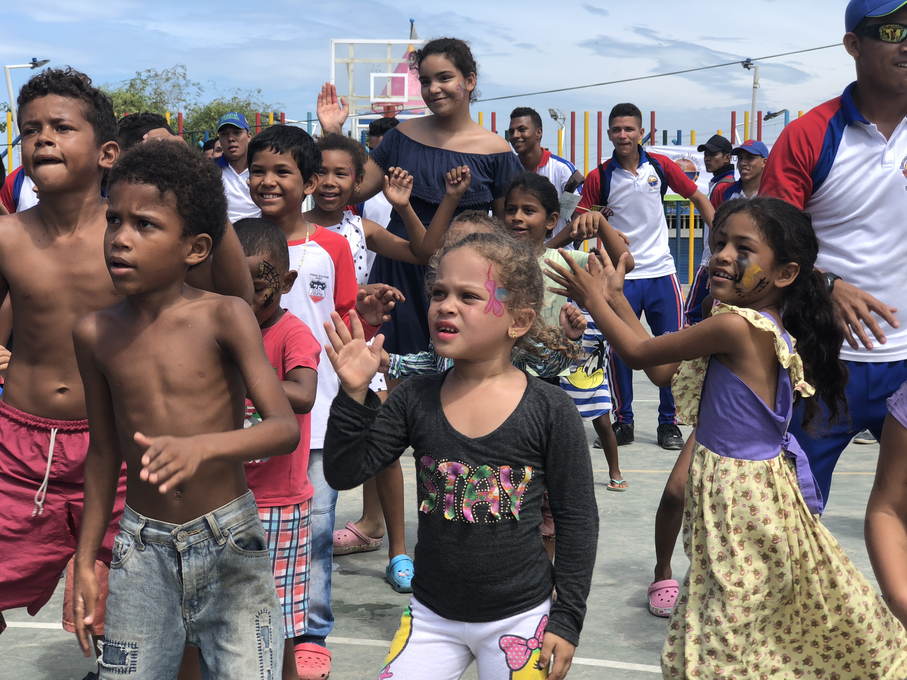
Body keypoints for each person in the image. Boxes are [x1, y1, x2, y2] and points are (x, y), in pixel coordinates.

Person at [547, 196, 907, 677]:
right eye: (720, 242)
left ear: (784, 274)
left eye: (743, 248)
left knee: (724, 630)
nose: (722, 254)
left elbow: (635, 353)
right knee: (743, 616)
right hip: (745, 495)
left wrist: (595, 299)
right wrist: (615, 298)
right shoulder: (737, 319)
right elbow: (661, 368)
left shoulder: (737, 326)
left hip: (743, 500)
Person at [323, 230, 598, 680]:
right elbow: (344, 470)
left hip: (521, 619)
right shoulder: (415, 398)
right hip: (432, 616)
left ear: (519, 320)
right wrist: (352, 393)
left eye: (469, 296)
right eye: (439, 293)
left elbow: (578, 521)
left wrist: (566, 620)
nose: (445, 306)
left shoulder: (551, 410)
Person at [70, 141, 300, 679]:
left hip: (230, 542)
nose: (121, 239)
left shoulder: (226, 316)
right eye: (114, 220)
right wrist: (86, 561)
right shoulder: (94, 333)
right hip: (141, 550)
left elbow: (283, 427)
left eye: (145, 225)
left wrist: (202, 446)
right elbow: (103, 453)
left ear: (195, 248)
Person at [247, 122, 395, 680]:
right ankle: (252, 621)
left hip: (321, 406)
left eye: (281, 171)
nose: (267, 181)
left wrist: (368, 366)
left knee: (314, 528)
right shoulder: (234, 238)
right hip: (250, 412)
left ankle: (311, 630)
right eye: (258, 170)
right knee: (253, 528)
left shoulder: (330, 245)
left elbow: (348, 317)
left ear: (307, 182)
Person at [759, 0, 907, 505]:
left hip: (906, 363)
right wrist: (825, 285)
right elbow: (767, 246)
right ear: (853, 45)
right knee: (791, 517)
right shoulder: (810, 135)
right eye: (892, 29)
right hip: (822, 363)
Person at [312, 133, 467, 592]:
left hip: (354, 354)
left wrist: (406, 205)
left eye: (342, 173)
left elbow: (425, 253)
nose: (329, 182)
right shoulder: (287, 228)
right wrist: (356, 295)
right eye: (319, 172)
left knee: (381, 447)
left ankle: (398, 549)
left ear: (360, 182)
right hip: (304, 356)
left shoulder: (361, 229)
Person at [316, 37, 523, 357]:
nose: (434, 89)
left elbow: (510, 230)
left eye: (444, 78)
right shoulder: (402, 137)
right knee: (391, 372)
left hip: (464, 280)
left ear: (469, 81)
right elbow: (351, 191)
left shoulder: (496, 151)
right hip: (399, 272)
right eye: (425, 81)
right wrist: (333, 133)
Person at [576, 103, 715, 450]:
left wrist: (721, 235)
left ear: (640, 133)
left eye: (629, 129)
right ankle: (624, 422)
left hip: (662, 273)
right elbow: (580, 221)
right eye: (616, 129)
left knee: (672, 350)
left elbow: (697, 195)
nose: (623, 135)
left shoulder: (661, 167)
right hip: (619, 276)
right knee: (621, 351)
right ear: (609, 134)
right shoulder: (600, 176)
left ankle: (669, 424)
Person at [504, 172, 633, 496]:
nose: (517, 217)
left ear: (551, 220)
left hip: (550, 377)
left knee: (548, 469)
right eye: (511, 209)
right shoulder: (494, 264)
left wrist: (600, 224)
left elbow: (623, 263)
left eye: (528, 210)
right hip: (503, 374)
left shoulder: (563, 262)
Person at [231, 217, 320, 680]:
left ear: (284, 282)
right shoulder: (225, 329)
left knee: (280, 616)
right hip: (226, 498)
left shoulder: (291, 334)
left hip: (279, 504)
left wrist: (249, 378)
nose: (245, 299)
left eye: (256, 287)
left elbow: (304, 392)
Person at [507, 107, 584, 247]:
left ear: (539, 132)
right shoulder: (507, 170)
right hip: (518, 259)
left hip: (558, 256)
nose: (515, 135)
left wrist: (545, 250)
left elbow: (578, 217)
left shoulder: (562, 170)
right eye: (511, 132)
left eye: (522, 129)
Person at [683, 134, 736, 326]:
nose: (707, 158)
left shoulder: (723, 187)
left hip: (711, 259)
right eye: (706, 153)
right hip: (718, 258)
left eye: (713, 154)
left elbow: (719, 228)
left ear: (727, 157)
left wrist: (710, 261)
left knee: (691, 314)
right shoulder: (722, 184)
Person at [358, 117, 400, 244]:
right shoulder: (360, 195)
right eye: (372, 151)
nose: (376, 157)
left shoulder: (421, 191)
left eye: (383, 151)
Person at [217, 112, 259, 223]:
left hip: (261, 234)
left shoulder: (263, 169)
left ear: (249, 136)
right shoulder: (210, 172)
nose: (231, 138)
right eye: (224, 134)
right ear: (220, 140)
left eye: (237, 133)